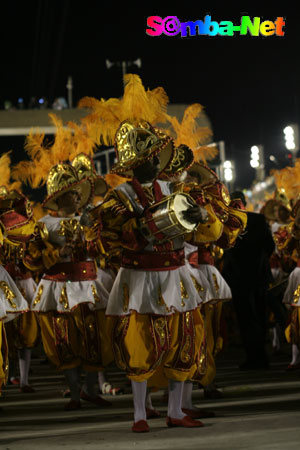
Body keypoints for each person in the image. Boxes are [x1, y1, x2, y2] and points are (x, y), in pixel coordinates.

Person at [93, 120, 209, 432]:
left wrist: (201, 217)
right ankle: (140, 415)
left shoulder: (174, 189)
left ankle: (174, 411)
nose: (154, 163)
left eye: (156, 158)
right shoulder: (118, 197)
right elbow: (112, 237)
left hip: (175, 274)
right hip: (139, 277)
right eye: (147, 159)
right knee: (138, 343)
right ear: (133, 165)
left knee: (182, 339)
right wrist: (146, 226)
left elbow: (202, 234)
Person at [222, 191, 275, 370]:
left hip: (240, 278)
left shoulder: (228, 222)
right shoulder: (258, 219)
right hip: (259, 276)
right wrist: (260, 261)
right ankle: (261, 357)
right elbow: (270, 246)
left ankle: (254, 357)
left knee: (247, 318)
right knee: (259, 316)